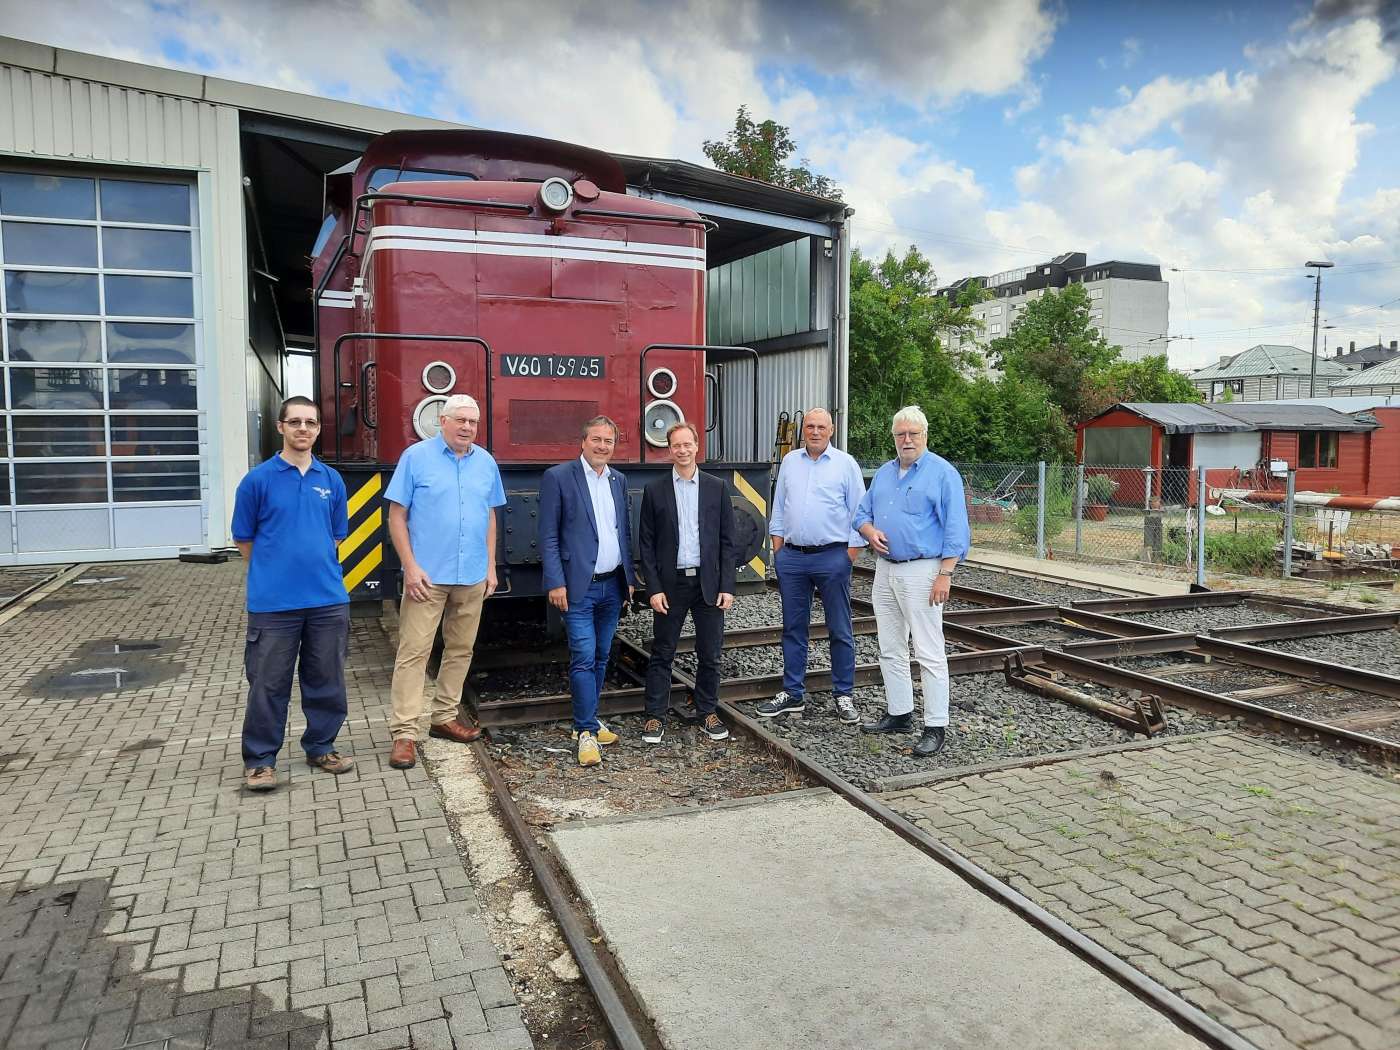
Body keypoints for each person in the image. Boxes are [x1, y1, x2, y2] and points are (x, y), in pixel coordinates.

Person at [232, 395, 354, 791]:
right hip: (274, 605)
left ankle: (321, 746)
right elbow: (244, 539)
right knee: (268, 685)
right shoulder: (257, 481)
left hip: (327, 601)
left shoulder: (331, 480)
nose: (303, 428)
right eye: (296, 421)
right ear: (281, 427)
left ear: (318, 429)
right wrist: (275, 570)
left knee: (327, 680)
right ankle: (260, 761)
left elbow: (336, 536)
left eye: (311, 423)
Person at [384, 394, 504, 770]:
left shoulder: (486, 462)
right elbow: (396, 516)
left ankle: (444, 718)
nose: (467, 427)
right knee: (414, 652)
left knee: (460, 650)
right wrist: (410, 566)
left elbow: (489, 516)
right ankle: (405, 733)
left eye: (473, 422)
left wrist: (490, 567)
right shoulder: (415, 458)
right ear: (443, 421)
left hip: (471, 574)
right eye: (460, 420)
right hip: (428, 577)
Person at [854, 405, 971, 758]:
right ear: (894, 437)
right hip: (886, 569)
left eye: (913, 434)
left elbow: (956, 528)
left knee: (928, 651)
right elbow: (861, 513)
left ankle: (935, 726)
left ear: (924, 435)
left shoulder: (942, 473)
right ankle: (900, 713)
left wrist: (945, 573)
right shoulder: (885, 473)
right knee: (890, 646)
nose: (906, 440)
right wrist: (869, 531)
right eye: (900, 434)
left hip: (923, 570)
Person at [756, 408, 866, 723]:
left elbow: (860, 512)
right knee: (793, 628)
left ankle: (843, 695)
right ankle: (793, 693)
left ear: (831, 430)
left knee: (839, 628)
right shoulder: (790, 462)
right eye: (810, 426)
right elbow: (779, 507)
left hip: (833, 556)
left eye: (821, 427)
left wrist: (848, 556)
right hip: (792, 557)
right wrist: (779, 551)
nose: (815, 432)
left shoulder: (845, 464)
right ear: (803, 429)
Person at [540, 416, 638, 767]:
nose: (602, 446)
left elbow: (622, 531)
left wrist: (629, 578)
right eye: (596, 439)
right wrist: (555, 581)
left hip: (612, 584)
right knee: (583, 656)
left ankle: (589, 720)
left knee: (600, 656)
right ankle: (585, 732)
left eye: (608, 441)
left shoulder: (618, 480)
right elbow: (548, 534)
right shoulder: (558, 477)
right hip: (577, 587)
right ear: (583, 442)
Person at [638, 422, 737, 744]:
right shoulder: (655, 490)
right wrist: (653, 588)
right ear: (669, 450)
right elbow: (646, 544)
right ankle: (655, 716)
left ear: (697, 447)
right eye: (676, 445)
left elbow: (727, 541)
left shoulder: (716, 487)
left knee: (710, 653)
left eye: (687, 444)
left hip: (708, 584)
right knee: (662, 652)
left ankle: (707, 711)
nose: (682, 450)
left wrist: (727, 585)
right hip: (671, 586)